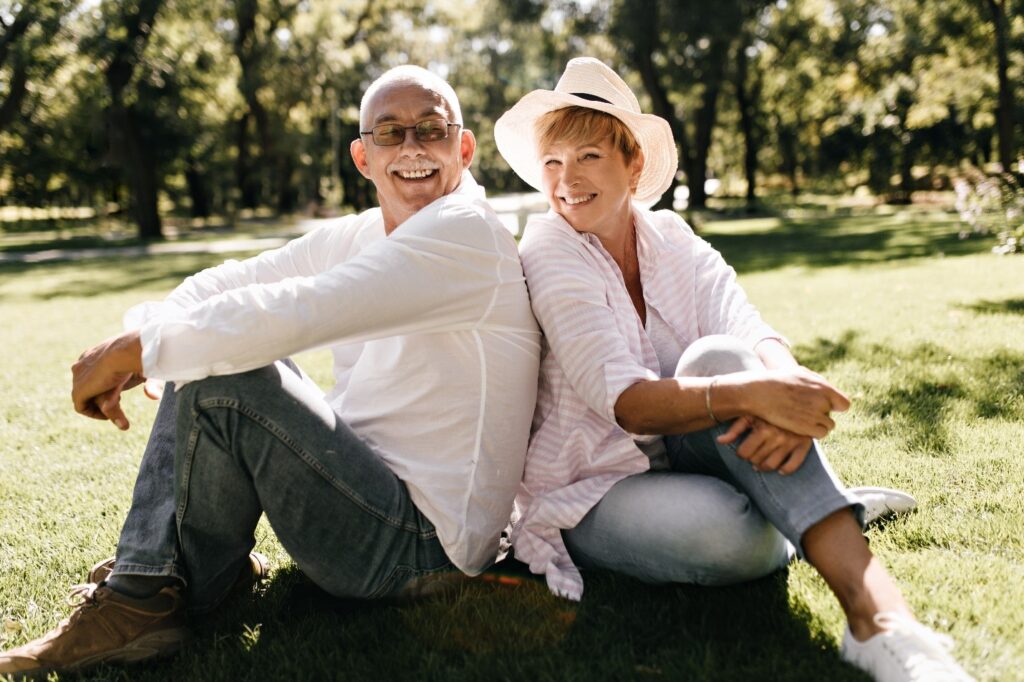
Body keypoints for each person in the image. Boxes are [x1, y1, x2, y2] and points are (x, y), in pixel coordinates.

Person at [0, 65, 540, 678]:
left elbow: (299, 311)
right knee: (217, 346)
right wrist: (147, 334)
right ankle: (197, 578)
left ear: (463, 147)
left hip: (423, 549)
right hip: (370, 496)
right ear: (363, 158)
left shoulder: (466, 233)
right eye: (390, 133)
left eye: (431, 129)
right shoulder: (366, 232)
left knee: (225, 369)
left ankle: (140, 599)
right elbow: (230, 283)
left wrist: (143, 349)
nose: (412, 148)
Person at [493, 57, 972, 682]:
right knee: (735, 541)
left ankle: (882, 624)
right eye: (552, 163)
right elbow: (627, 402)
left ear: (633, 164)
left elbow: (747, 324)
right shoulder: (550, 247)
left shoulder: (669, 236)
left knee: (721, 357)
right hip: (594, 484)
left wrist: (784, 384)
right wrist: (757, 392)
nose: (566, 181)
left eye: (588, 156)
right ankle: (824, 506)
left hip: (692, 449)